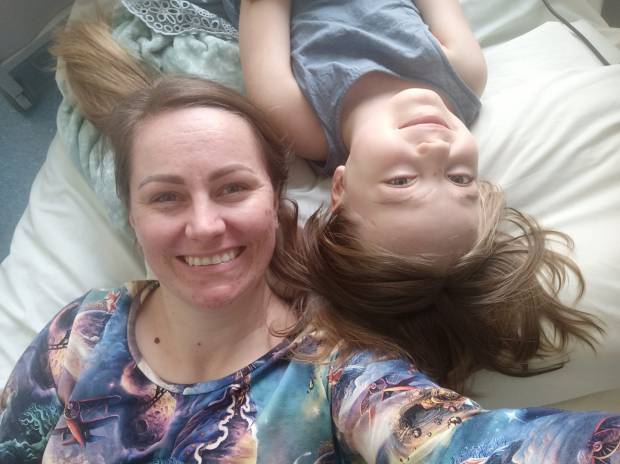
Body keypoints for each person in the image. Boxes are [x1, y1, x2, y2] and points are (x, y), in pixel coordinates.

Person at [1, 18, 619, 464]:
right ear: (132, 217)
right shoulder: (80, 329)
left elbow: (487, 447)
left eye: (233, 188)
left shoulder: (341, 380)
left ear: (277, 205)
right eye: (165, 197)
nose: (205, 225)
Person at [226, 0, 603, 390]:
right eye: (460, 178)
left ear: (340, 188)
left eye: (401, 181)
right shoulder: (464, 74)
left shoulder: (296, 119)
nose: (437, 149)